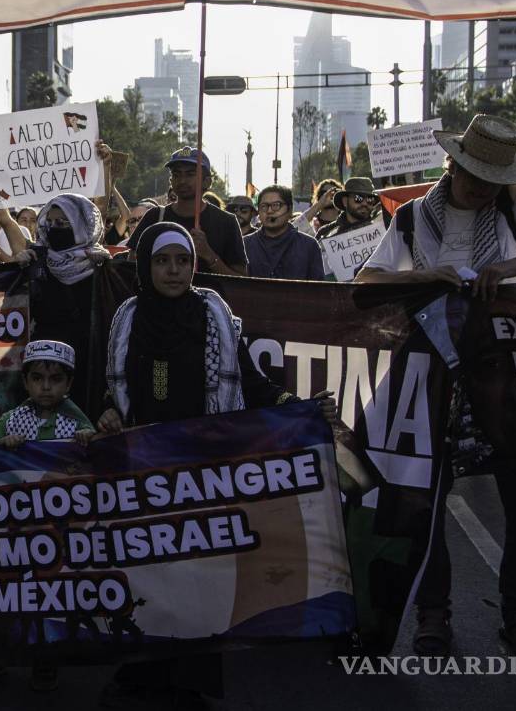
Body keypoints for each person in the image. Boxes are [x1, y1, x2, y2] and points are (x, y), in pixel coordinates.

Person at [356, 114, 516, 659]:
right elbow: (368, 281)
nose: (483, 188)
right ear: (453, 164)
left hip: (512, 371)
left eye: (493, 178)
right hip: (435, 369)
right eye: (474, 175)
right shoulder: (415, 217)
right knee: (428, 497)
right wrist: (427, 276)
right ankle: (433, 613)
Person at [95, 220, 337, 705]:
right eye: (162, 261)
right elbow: (115, 385)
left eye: (183, 261)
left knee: (198, 572)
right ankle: (144, 669)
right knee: (146, 565)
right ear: (146, 265)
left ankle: (192, 676)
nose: (173, 271)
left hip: (203, 469)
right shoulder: (127, 316)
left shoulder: (214, 315)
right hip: (144, 467)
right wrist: (106, 410)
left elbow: (247, 380)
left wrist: (297, 404)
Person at [0, 340, 94, 693]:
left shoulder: (75, 419)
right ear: (26, 382)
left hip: (56, 531)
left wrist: (88, 439)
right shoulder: (13, 417)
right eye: (38, 378)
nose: (46, 387)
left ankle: (45, 658)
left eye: (55, 379)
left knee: (49, 595)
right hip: (14, 530)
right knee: (2, 592)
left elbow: (98, 459)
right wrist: (2, 442)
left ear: (68, 383)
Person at [15, 194, 110, 408]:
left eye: (63, 223)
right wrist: (20, 269)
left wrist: (103, 270)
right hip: (46, 364)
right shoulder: (36, 259)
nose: (54, 228)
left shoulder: (99, 264)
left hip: (88, 362)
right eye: (50, 222)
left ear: (80, 224)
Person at [125, 147, 247, 275]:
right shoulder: (155, 217)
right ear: (171, 181)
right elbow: (132, 267)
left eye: (190, 174)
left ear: (207, 181)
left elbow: (241, 280)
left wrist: (209, 255)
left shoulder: (227, 222)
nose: (182, 181)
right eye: (176, 175)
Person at [243, 186, 325, 281]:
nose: (269, 211)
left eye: (276, 205)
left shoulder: (309, 245)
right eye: (264, 206)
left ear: (290, 210)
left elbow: (317, 288)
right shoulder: (245, 244)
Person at [315, 176, 380, 239]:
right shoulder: (325, 234)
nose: (365, 203)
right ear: (345, 201)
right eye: (358, 198)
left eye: (370, 199)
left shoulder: (382, 228)